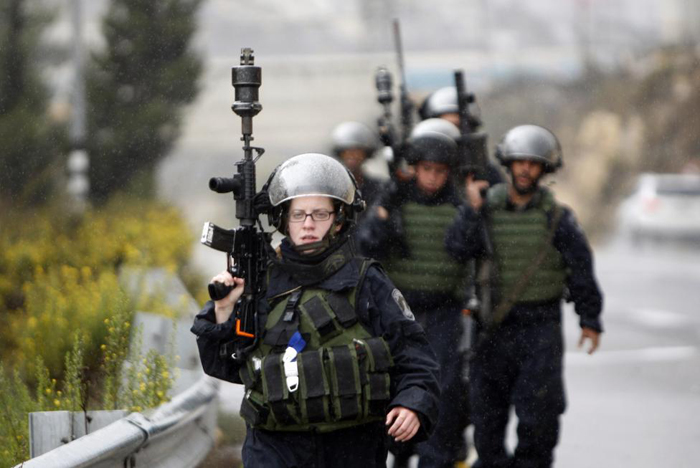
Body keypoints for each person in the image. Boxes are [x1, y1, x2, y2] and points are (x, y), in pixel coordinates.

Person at [191, 153, 440, 467]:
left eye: (320, 214)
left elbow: (415, 358)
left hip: (352, 446)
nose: (308, 224)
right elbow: (224, 366)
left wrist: (412, 404)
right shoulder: (258, 282)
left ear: (339, 219)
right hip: (275, 447)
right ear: (283, 219)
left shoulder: (366, 281)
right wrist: (223, 309)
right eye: (298, 214)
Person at [444, 125, 604, 468]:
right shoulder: (484, 209)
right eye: (520, 162)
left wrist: (590, 318)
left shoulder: (557, 218)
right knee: (487, 422)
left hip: (540, 328)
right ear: (508, 164)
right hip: (491, 329)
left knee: (539, 419)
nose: (526, 170)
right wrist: (471, 209)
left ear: (544, 170)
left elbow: (580, 269)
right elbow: (456, 249)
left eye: (534, 164)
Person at [357, 122, 468, 468]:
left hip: (444, 311)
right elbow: (367, 244)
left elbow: (469, 248)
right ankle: (399, 451)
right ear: (414, 168)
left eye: (440, 171)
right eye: (426, 169)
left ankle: (434, 457)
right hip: (398, 311)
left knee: (443, 388)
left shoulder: (459, 204)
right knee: (390, 383)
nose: (433, 178)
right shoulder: (395, 201)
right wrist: (386, 206)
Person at [419, 86, 503, 188]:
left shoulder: (484, 171)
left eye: (458, 127)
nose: (452, 133)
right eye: (446, 126)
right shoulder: (418, 171)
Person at [332, 121, 386, 208]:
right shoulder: (332, 187)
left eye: (357, 151)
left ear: (366, 154)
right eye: (347, 151)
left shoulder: (378, 187)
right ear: (340, 154)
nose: (352, 155)